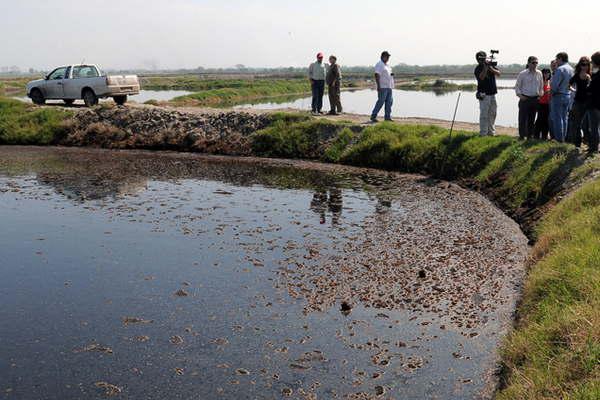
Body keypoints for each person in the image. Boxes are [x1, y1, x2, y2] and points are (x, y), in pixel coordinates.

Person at [515, 56, 544, 139]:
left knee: (532, 119)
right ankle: (521, 136)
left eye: (536, 63)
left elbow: (541, 86)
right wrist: (520, 96)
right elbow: (517, 87)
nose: (535, 64)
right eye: (533, 62)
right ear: (528, 63)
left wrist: (540, 94)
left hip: (535, 99)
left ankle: (529, 136)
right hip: (525, 99)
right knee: (522, 119)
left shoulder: (539, 73)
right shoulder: (522, 74)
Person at [567, 57, 592, 147]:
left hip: (588, 102)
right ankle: (577, 143)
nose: (585, 66)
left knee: (587, 124)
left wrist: (589, 80)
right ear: (580, 65)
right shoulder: (576, 75)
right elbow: (569, 84)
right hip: (578, 101)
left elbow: (591, 88)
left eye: (587, 64)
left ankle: (589, 142)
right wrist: (573, 90)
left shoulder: (591, 75)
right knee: (576, 123)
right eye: (583, 64)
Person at [475, 51, 501, 136]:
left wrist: (490, 67)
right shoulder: (478, 68)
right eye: (480, 59)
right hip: (484, 94)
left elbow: (498, 74)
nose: (482, 60)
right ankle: (483, 133)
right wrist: (485, 68)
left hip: (492, 93)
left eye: (483, 58)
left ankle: (491, 132)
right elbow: (481, 77)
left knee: (493, 113)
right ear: (477, 60)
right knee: (484, 114)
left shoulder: (491, 66)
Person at [550, 52, 574, 142]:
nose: (556, 61)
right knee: (565, 118)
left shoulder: (560, 69)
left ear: (560, 58)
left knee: (557, 118)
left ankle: (559, 139)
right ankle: (563, 138)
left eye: (557, 59)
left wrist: (551, 94)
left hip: (559, 95)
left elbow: (555, 86)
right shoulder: (571, 69)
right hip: (567, 95)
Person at [370, 51, 394, 122]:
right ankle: (373, 116)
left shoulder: (388, 66)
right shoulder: (379, 64)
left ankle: (387, 117)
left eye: (388, 57)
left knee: (389, 102)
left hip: (389, 86)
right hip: (382, 87)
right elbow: (377, 75)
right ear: (383, 56)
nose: (388, 58)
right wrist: (378, 86)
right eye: (387, 57)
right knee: (380, 101)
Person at [586, 52, 600, 155]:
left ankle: (594, 148)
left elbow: (591, 89)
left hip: (594, 104)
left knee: (594, 127)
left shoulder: (597, 75)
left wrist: (588, 83)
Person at [534, 69, 552, 140]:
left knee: (546, 120)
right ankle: (536, 135)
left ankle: (544, 135)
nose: (546, 74)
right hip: (540, 103)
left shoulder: (550, 82)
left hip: (548, 104)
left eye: (548, 73)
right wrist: (545, 92)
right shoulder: (539, 82)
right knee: (539, 119)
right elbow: (537, 93)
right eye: (544, 73)